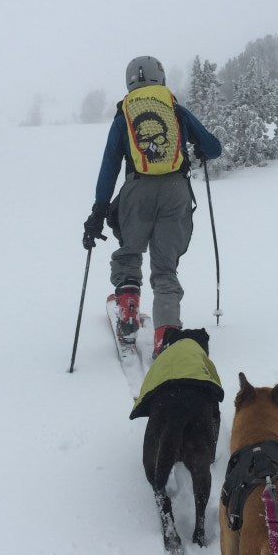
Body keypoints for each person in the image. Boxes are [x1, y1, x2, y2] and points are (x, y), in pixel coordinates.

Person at [82, 55, 222, 356]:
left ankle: (128, 310)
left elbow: (109, 167)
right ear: (161, 79)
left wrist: (98, 210)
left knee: (129, 251)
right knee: (165, 268)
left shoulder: (124, 116)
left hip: (137, 191)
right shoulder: (175, 110)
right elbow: (214, 148)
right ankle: (166, 335)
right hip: (176, 192)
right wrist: (196, 145)